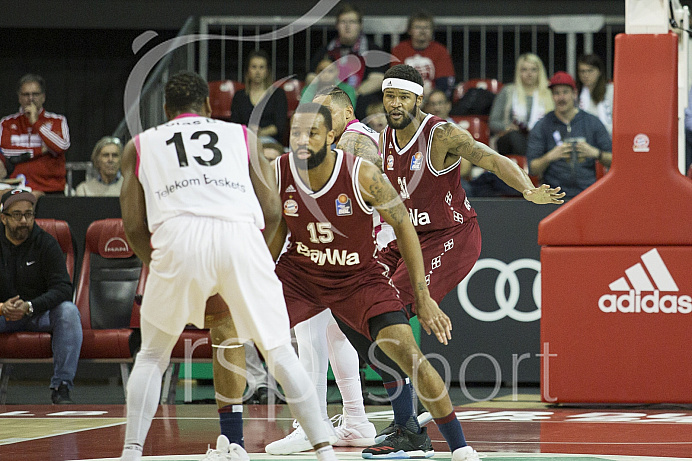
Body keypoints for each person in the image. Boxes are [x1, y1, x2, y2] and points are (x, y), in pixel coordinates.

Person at [118, 70, 338, 461]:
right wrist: (257, 263)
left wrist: (163, 266)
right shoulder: (243, 136)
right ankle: (325, 452)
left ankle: (132, 453)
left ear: (167, 110)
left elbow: (134, 225)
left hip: (178, 237)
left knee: (152, 356)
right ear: (207, 105)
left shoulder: (139, 145)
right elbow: (273, 211)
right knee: (280, 353)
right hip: (240, 236)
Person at [270, 102, 481, 461]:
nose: (303, 141)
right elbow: (270, 231)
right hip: (304, 275)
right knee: (244, 334)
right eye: (296, 134)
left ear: (333, 134)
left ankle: (458, 446)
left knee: (401, 351)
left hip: (358, 275)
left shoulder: (361, 167)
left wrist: (423, 296)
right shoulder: (279, 169)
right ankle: (322, 426)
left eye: (313, 133)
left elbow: (404, 225)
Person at [374, 64, 563, 454]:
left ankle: (412, 425)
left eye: (403, 97)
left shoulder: (439, 133)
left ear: (418, 98)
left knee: (387, 314)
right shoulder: (383, 138)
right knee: (365, 308)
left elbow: (490, 159)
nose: (395, 104)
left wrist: (527, 191)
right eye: (389, 96)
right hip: (409, 237)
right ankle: (406, 420)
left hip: (453, 236)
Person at [264, 88, 384, 455]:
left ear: (346, 113)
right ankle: (356, 419)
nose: (316, 124)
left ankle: (309, 425)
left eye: (326, 113)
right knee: (334, 336)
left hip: (343, 253)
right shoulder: (356, 141)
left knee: (309, 337)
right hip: (350, 250)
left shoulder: (355, 141)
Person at [0, 188, 82, 404]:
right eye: (17, 215)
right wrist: (2, 307)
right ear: (3, 218)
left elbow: (64, 288)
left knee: (68, 311)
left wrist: (29, 306)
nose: (24, 220)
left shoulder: (45, 243)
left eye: (28, 214)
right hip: (3, 314)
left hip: (37, 313)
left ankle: (62, 386)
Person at [526, 71, 612, 198]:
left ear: (574, 94)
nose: (561, 97)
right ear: (552, 96)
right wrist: (550, 156)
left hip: (587, 193)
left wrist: (595, 153)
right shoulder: (542, 125)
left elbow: (614, 160)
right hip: (554, 196)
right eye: (556, 93)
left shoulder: (592, 122)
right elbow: (532, 168)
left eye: (565, 92)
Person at [0, 74, 70, 196]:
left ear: (43, 97)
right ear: (19, 97)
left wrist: (36, 122)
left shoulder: (58, 120)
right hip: (16, 186)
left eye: (35, 94)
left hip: (50, 189)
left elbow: (62, 146)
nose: (31, 98)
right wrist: (39, 151)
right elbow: (5, 150)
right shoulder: (7, 122)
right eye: (26, 94)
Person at [308, 4, 388, 107]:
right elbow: (310, 77)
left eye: (352, 22)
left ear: (360, 25)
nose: (347, 26)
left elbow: (378, 79)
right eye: (343, 22)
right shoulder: (327, 50)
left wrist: (353, 93)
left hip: (360, 99)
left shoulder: (373, 50)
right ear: (337, 25)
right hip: (330, 97)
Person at [489, 53, 553, 157]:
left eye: (533, 70)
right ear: (518, 72)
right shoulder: (508, 91)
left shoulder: (549, 94)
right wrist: (507, 127)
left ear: (539, 72)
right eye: (524, 70)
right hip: (510, 140)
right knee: (515, 136)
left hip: (539, 138)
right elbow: (493, 122)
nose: (529, 74)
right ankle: (532, 163)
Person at [391, 11, 456, 97]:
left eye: (426, 27)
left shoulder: (440, 50)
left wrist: (431, 97)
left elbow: (445, 81)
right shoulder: (399, 50)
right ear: (410, 30)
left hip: (432, 98)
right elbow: (395, 79)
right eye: (418, 27)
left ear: (432, 30)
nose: (422, 31)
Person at [230, 49, 288, 144]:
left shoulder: (278, 95)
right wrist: (249, 133)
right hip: (245, 140)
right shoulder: (239, 96)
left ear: (267, 71)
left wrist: (260, 132)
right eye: (254, 67)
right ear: (248, 70)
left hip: (270, 142)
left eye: (261, 67)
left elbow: (279, 126)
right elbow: (235, 125)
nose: (257, 71)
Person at [576, 54, 614, 136]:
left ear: (599, 71)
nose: (585, 75)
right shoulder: (576, 93)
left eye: (590, 71)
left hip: (610, 138)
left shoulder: (611, 91)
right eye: (582, 71)